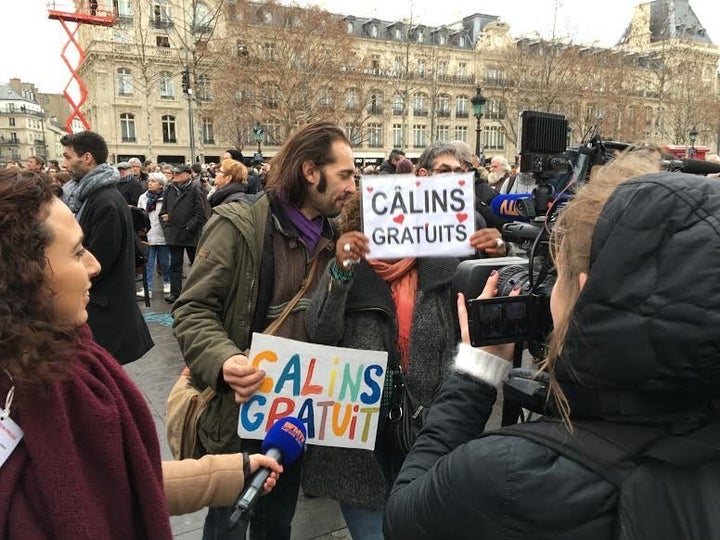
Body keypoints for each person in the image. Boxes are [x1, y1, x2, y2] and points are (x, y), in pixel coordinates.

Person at [383, 152, 720, 538]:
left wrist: (476, 373)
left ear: (585, 291)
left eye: (555, 272)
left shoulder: (508, 474)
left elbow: (403, 518)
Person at [0, 169, 283, 538]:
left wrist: (232, 474)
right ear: (22, 273)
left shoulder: (72, 360)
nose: (94, 265)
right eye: (75, 252)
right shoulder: (32, 388)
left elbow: (128, 479)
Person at [172, 121, 357, 540]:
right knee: (229, 525)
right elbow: (193, 309)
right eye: (345, 174)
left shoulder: (338, 237)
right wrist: (225, 360)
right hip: (239, 416)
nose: (352, 186)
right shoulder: (237, 226)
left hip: (294, 420)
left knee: (277, 524)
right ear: (311, 172)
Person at [302, 189, 461, 539]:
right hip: (359, 440)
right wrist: (340, 275)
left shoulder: (441, 272)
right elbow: (321, 333)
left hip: (423, 435)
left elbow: (455, 349)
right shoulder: (346, 269)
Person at [59, 130, 153, 365]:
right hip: (102, 308)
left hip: (106, 311)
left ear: (87, 157)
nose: (64, 164)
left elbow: (98, 261)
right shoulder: (94, 196)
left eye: (68, 157)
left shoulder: (105, 201)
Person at [415, 141, 508, 258]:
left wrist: (499, 250)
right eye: (444, 171)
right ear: (423, 176)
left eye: (458, 172)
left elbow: (484, 266)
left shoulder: (475, 220)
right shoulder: (405, 221)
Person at [159, 164, 211, 303]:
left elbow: (201, 213)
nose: (175, 176)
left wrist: (189, 227)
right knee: (175, 265)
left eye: (179, 174)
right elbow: (163, 211)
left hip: (191, 234)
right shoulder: (170, 188)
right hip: (174, 233)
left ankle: (197, 293)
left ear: (188, 174)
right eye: (174, 174)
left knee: (196, 265)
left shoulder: (196, 188)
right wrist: (167, 227)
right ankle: (175, 293)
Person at [136, 171, 171, 299]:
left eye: (154, 181)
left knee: (164, 262)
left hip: (163, 234)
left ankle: (167, 282)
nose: (150, 184)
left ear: (161, 185)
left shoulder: (167, 197)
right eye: (150, 181)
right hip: (148, 234)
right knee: (148, 263)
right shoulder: (143, 197)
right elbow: (140, 214)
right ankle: (147, 288)